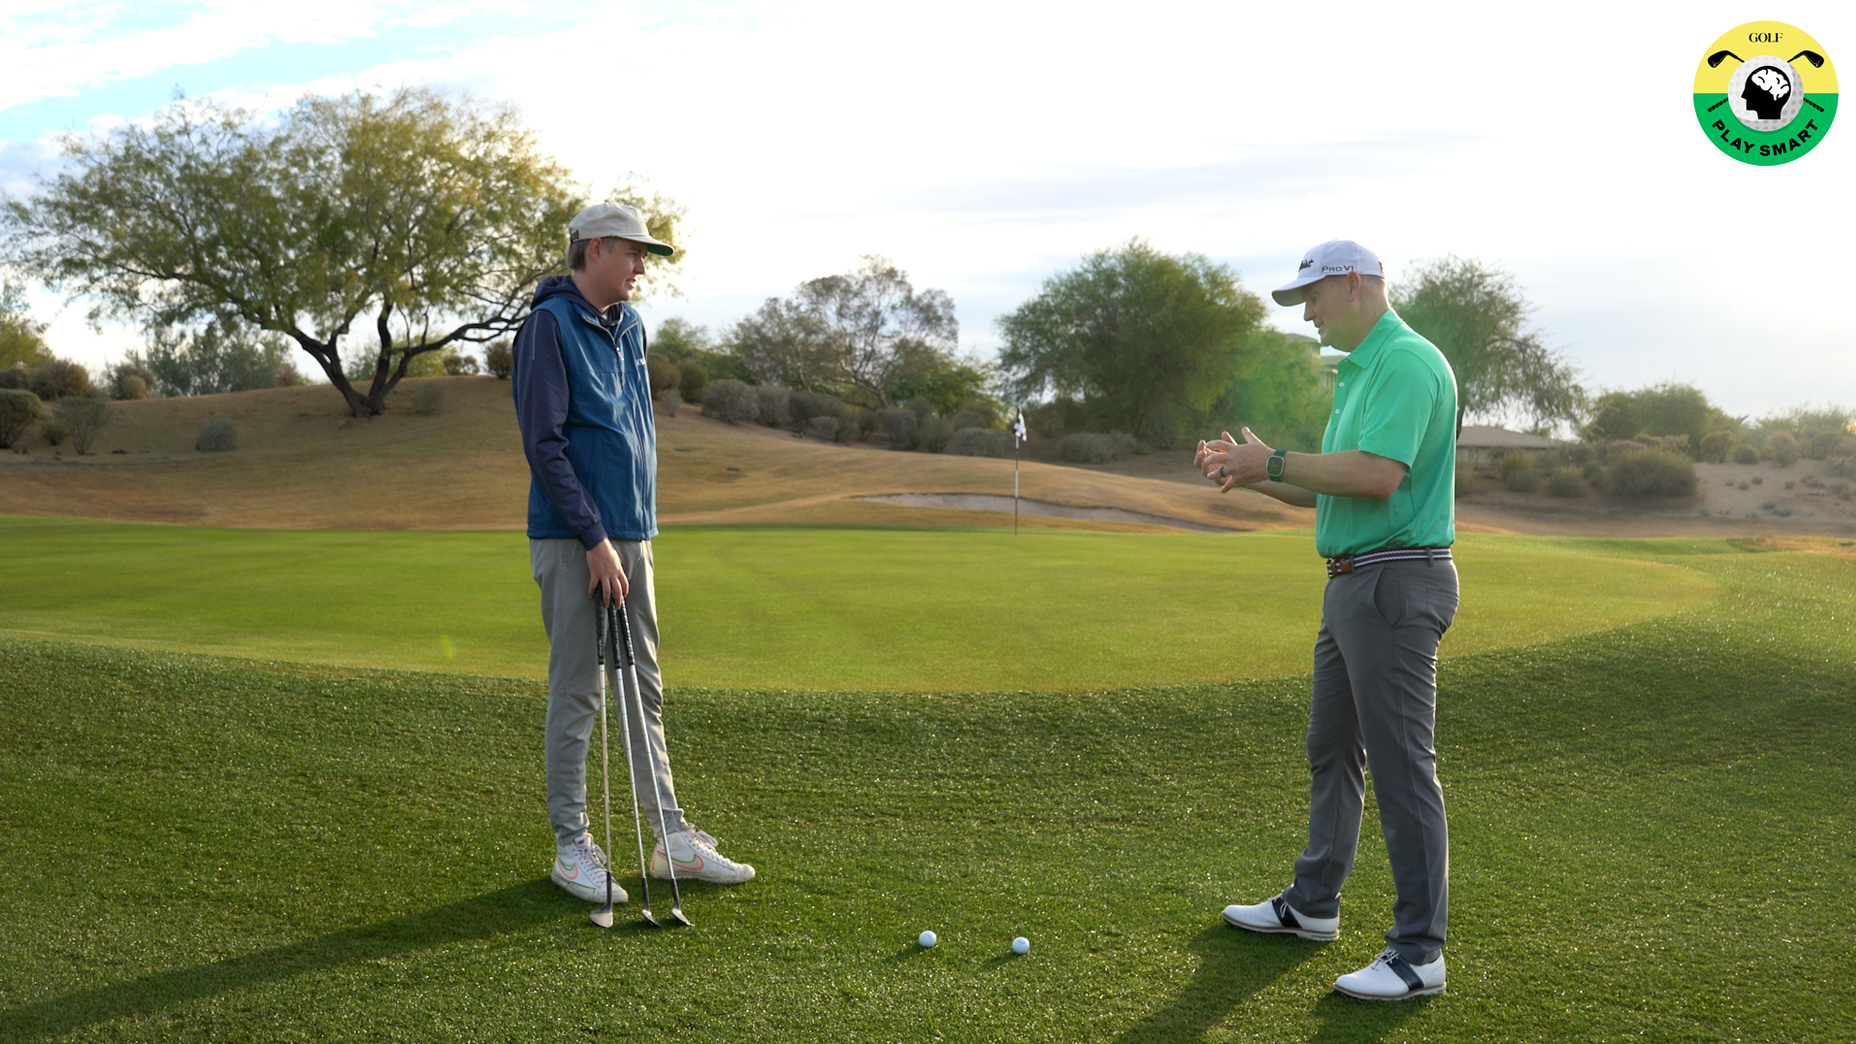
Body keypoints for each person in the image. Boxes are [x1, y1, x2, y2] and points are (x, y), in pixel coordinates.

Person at [1196, 240, 1458, 1000]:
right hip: (1353, 582)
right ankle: (1313, 905)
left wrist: (1273, 461)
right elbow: (1334, 486)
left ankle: (1418, 953)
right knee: (1331, 746)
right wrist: (1248, 474)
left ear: (1353, 285)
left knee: (1403, 765)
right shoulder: (1360, 372)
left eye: (1311, 299)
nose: (1306, 317)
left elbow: (1379, 477)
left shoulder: (1405, 362)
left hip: (1394, 583)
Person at [512, 202, 755, 907]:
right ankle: (571, 846)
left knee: (642, 686)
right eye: (634, 253)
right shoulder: (547, 328)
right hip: (574, 541)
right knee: (581, 690)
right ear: (593, 251)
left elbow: (634, 427)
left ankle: (670, 838)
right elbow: (545, 445)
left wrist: (633, 532)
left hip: (633, 535)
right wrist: (594, 539)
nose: (644, 266)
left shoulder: (632, 326)